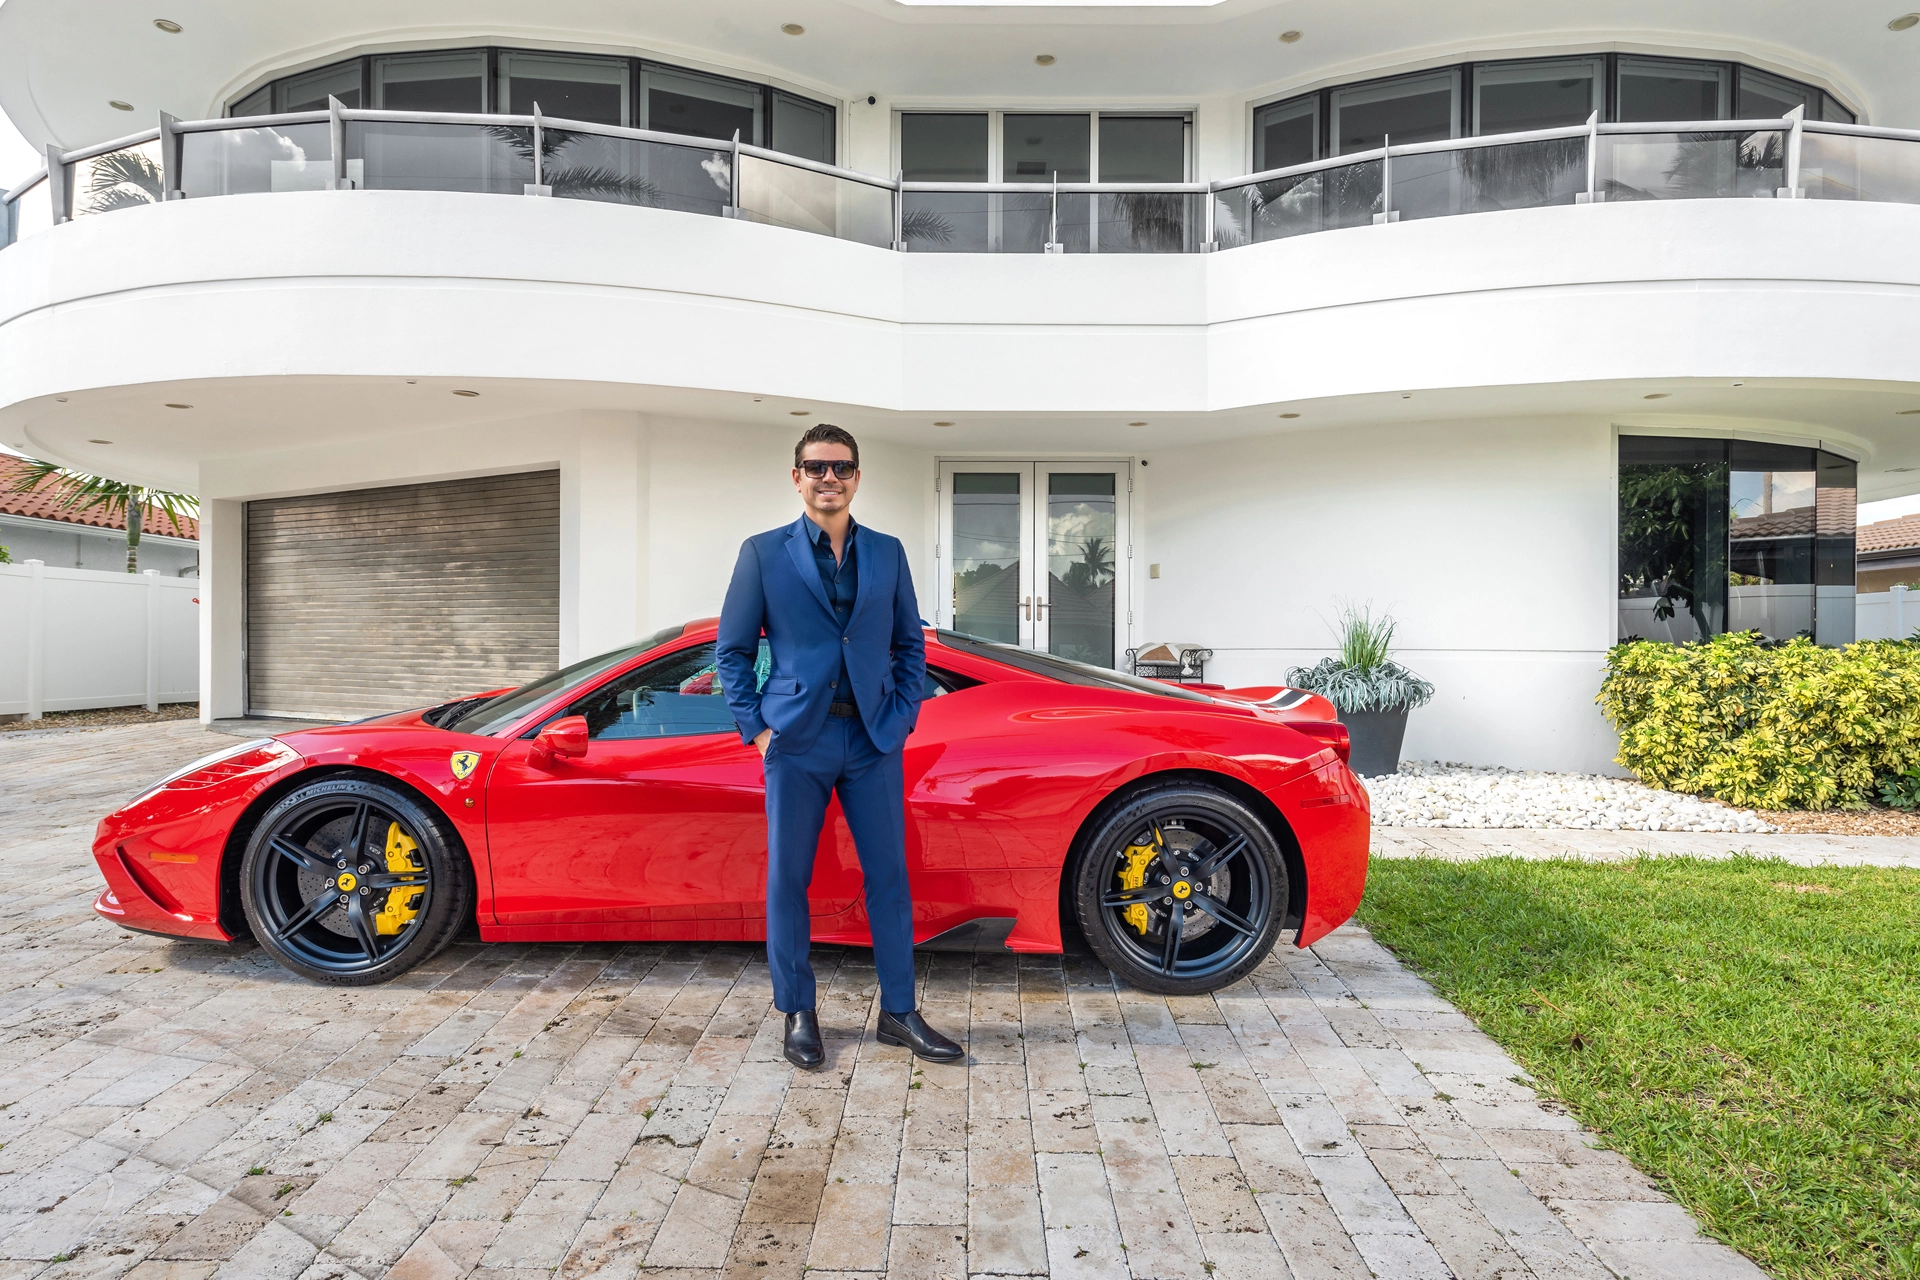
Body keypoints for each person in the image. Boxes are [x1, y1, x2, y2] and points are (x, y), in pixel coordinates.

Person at [716, 424, 963, 1069]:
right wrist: (757, 729)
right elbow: (732, 652)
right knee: (788, 878)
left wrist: (901, 717)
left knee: (890, 876)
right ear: (797, 477)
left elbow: (910, 644)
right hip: (797, 740)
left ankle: (900, 1012)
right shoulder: (762, 553)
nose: (830, 478)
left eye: (842, 467)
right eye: (817, 467)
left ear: (857, 477)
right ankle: (798, 1011)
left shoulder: (887, 552)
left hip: (873, 738)